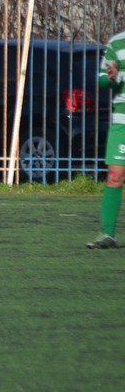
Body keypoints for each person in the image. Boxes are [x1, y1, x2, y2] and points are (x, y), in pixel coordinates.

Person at [87, 29, 125, 249]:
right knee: (115, 175)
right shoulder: (117, 43)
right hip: (122, 121)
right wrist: (110, 78)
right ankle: (108, 234)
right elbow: (102, 80)